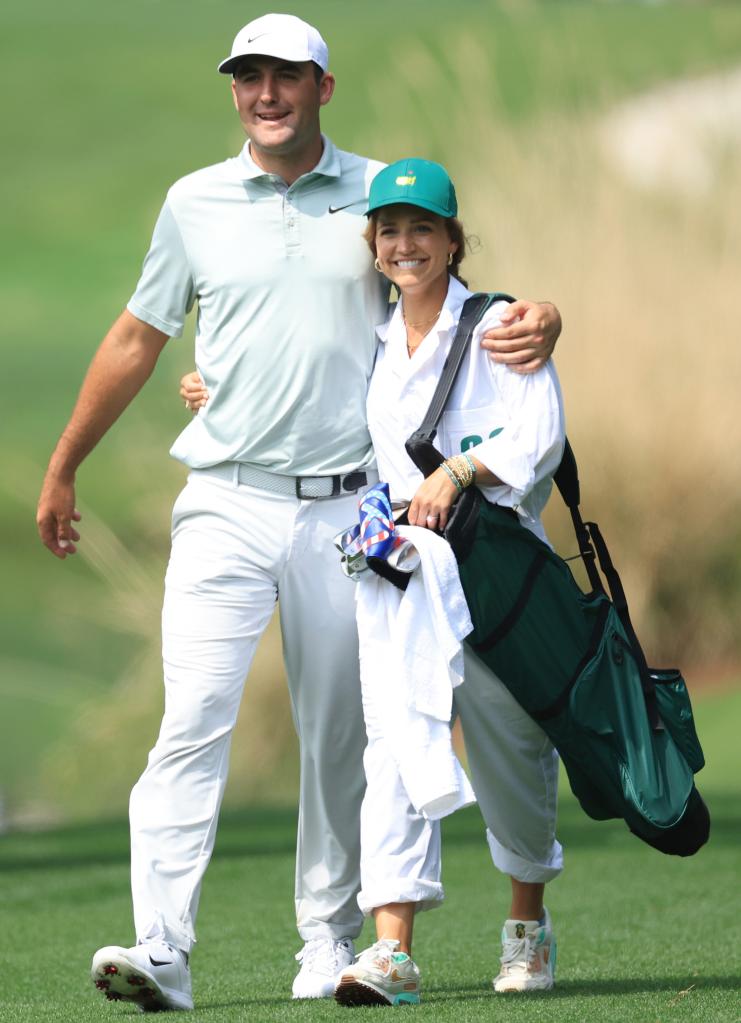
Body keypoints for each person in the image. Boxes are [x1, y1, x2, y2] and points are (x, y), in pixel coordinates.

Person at [35, 13, 561, 1013]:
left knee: (335, 735)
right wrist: (65, 466)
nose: (266, 93)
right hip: (223, 500)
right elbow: (138, 336)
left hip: (346, 515)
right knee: (189, 718)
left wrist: (542, 315)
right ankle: (164, 949)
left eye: (287, 77)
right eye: (248, 78)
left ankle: (326, 944)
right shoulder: (193, 202)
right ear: (234, 90)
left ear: (324, 85)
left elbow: (445, 296)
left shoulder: (378, 194)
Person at [329, 159, 565, 1006]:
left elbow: (537, 435)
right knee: (394, 742)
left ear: (452, 238)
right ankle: (391, 949)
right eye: (388, 231)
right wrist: (217, 392)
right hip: (398, 578)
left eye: (420, 228)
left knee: (510, 744)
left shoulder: (500, 323)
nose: (404, 245)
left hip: (496, 573)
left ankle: (526, 925)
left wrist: (460, 471)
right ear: (374, 244)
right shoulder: (374, 340)